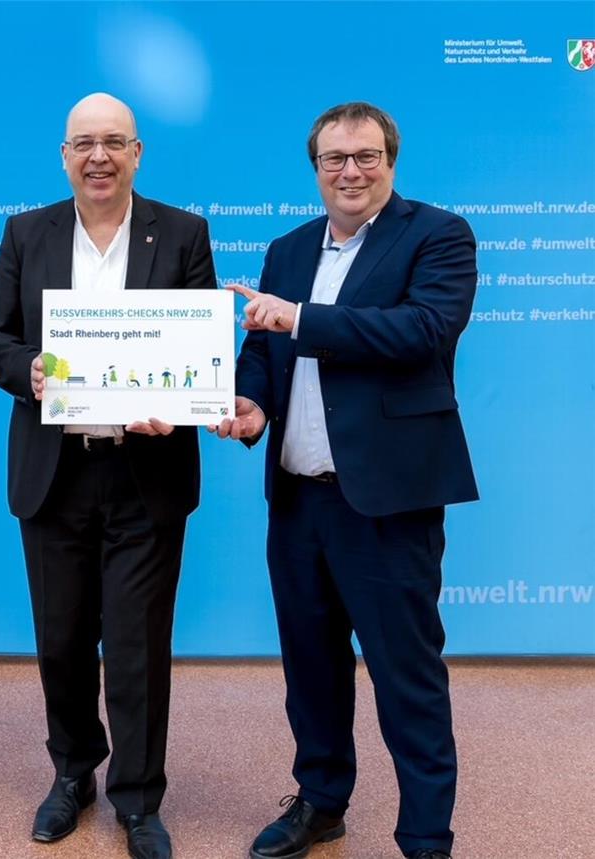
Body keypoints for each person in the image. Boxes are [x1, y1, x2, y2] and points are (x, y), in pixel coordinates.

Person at [213, 101, 478, 859]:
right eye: (335, 159)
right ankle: (322, 800)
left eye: (366, 156)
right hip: (299, 500)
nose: (351, 171)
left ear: (391, 161)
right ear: (316, 168)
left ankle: (426, 835)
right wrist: (250, 403)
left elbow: (421, 331)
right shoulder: (288, 248)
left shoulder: (438, 236)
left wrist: (298, 319)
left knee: (408, 679)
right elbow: (262, 354)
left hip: (389, 504)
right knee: (312, 669)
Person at [0, 92, 214, 859]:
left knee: (140, 644)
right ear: (64, 155)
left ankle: (139, 797)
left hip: (147, 472)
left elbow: (201, 346)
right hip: (56, 472)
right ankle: (73, 772)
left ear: (138, 152)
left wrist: (175, 404)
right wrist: (30, 370)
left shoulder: (182, 233)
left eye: (114, 142)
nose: (99, 156)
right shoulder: (27, 232)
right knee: (63, 638)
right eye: (84, 143)